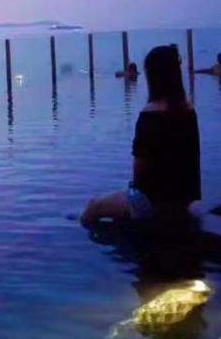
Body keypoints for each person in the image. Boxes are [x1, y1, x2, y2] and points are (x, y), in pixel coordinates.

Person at [81, 45, 201, 226]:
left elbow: (139, 174)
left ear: (152, 76)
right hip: (184, 200)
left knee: (92, 208)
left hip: (153, 205)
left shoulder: (150, 116)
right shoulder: (188, 110)